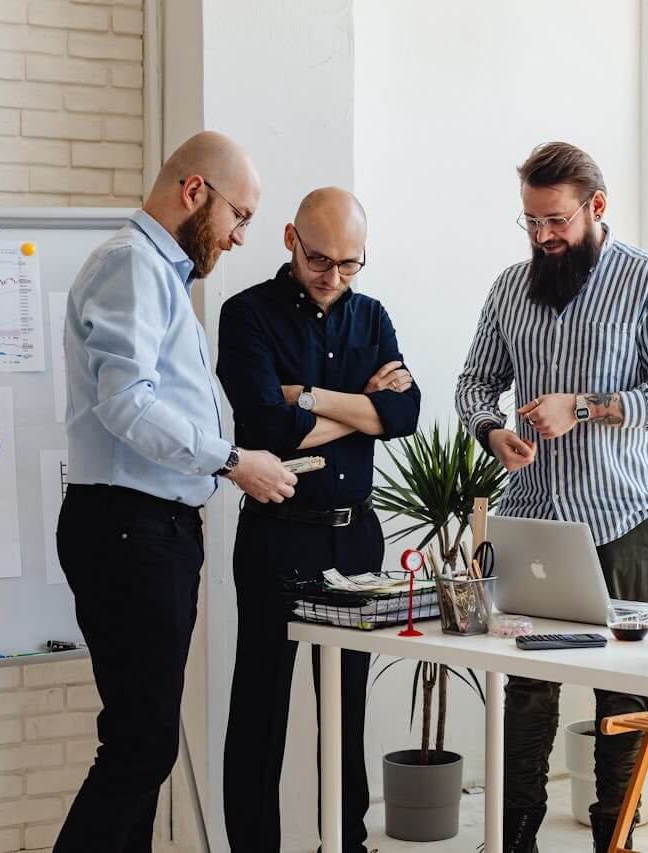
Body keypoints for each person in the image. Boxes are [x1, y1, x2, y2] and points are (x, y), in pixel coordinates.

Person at [455, 142, 648, 852]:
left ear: (596, 207)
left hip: (626, 520)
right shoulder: (509, 288)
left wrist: (586, 407)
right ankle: (514, 839)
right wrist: (491, 429)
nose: (542, 236)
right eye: (530, 221)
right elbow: (474, 382)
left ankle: (612, 842)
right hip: (535, 521)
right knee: (527, 690)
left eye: (555, 220)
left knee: (623, 694)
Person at [56, 131, 298, 853]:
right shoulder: (132, 265)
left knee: (140, 739)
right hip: (130, 529)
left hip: (146, 531)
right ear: (196, 193)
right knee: (142, 745)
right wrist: (232, 460)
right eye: (240, 216)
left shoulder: (161, 275)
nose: (241, 236)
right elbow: (124, 402)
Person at [218, 187, 420, 853]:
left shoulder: (373, 316)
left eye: (351, 263)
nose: (334, 277)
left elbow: (405, 415)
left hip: (355, 535)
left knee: (345, 710)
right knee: (260, 709)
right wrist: (361, 406)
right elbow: (263, 428)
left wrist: (308, 397)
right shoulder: (244, 315)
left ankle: (345, 844)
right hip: (277, 532)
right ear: (288, 239)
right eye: (320, 260)